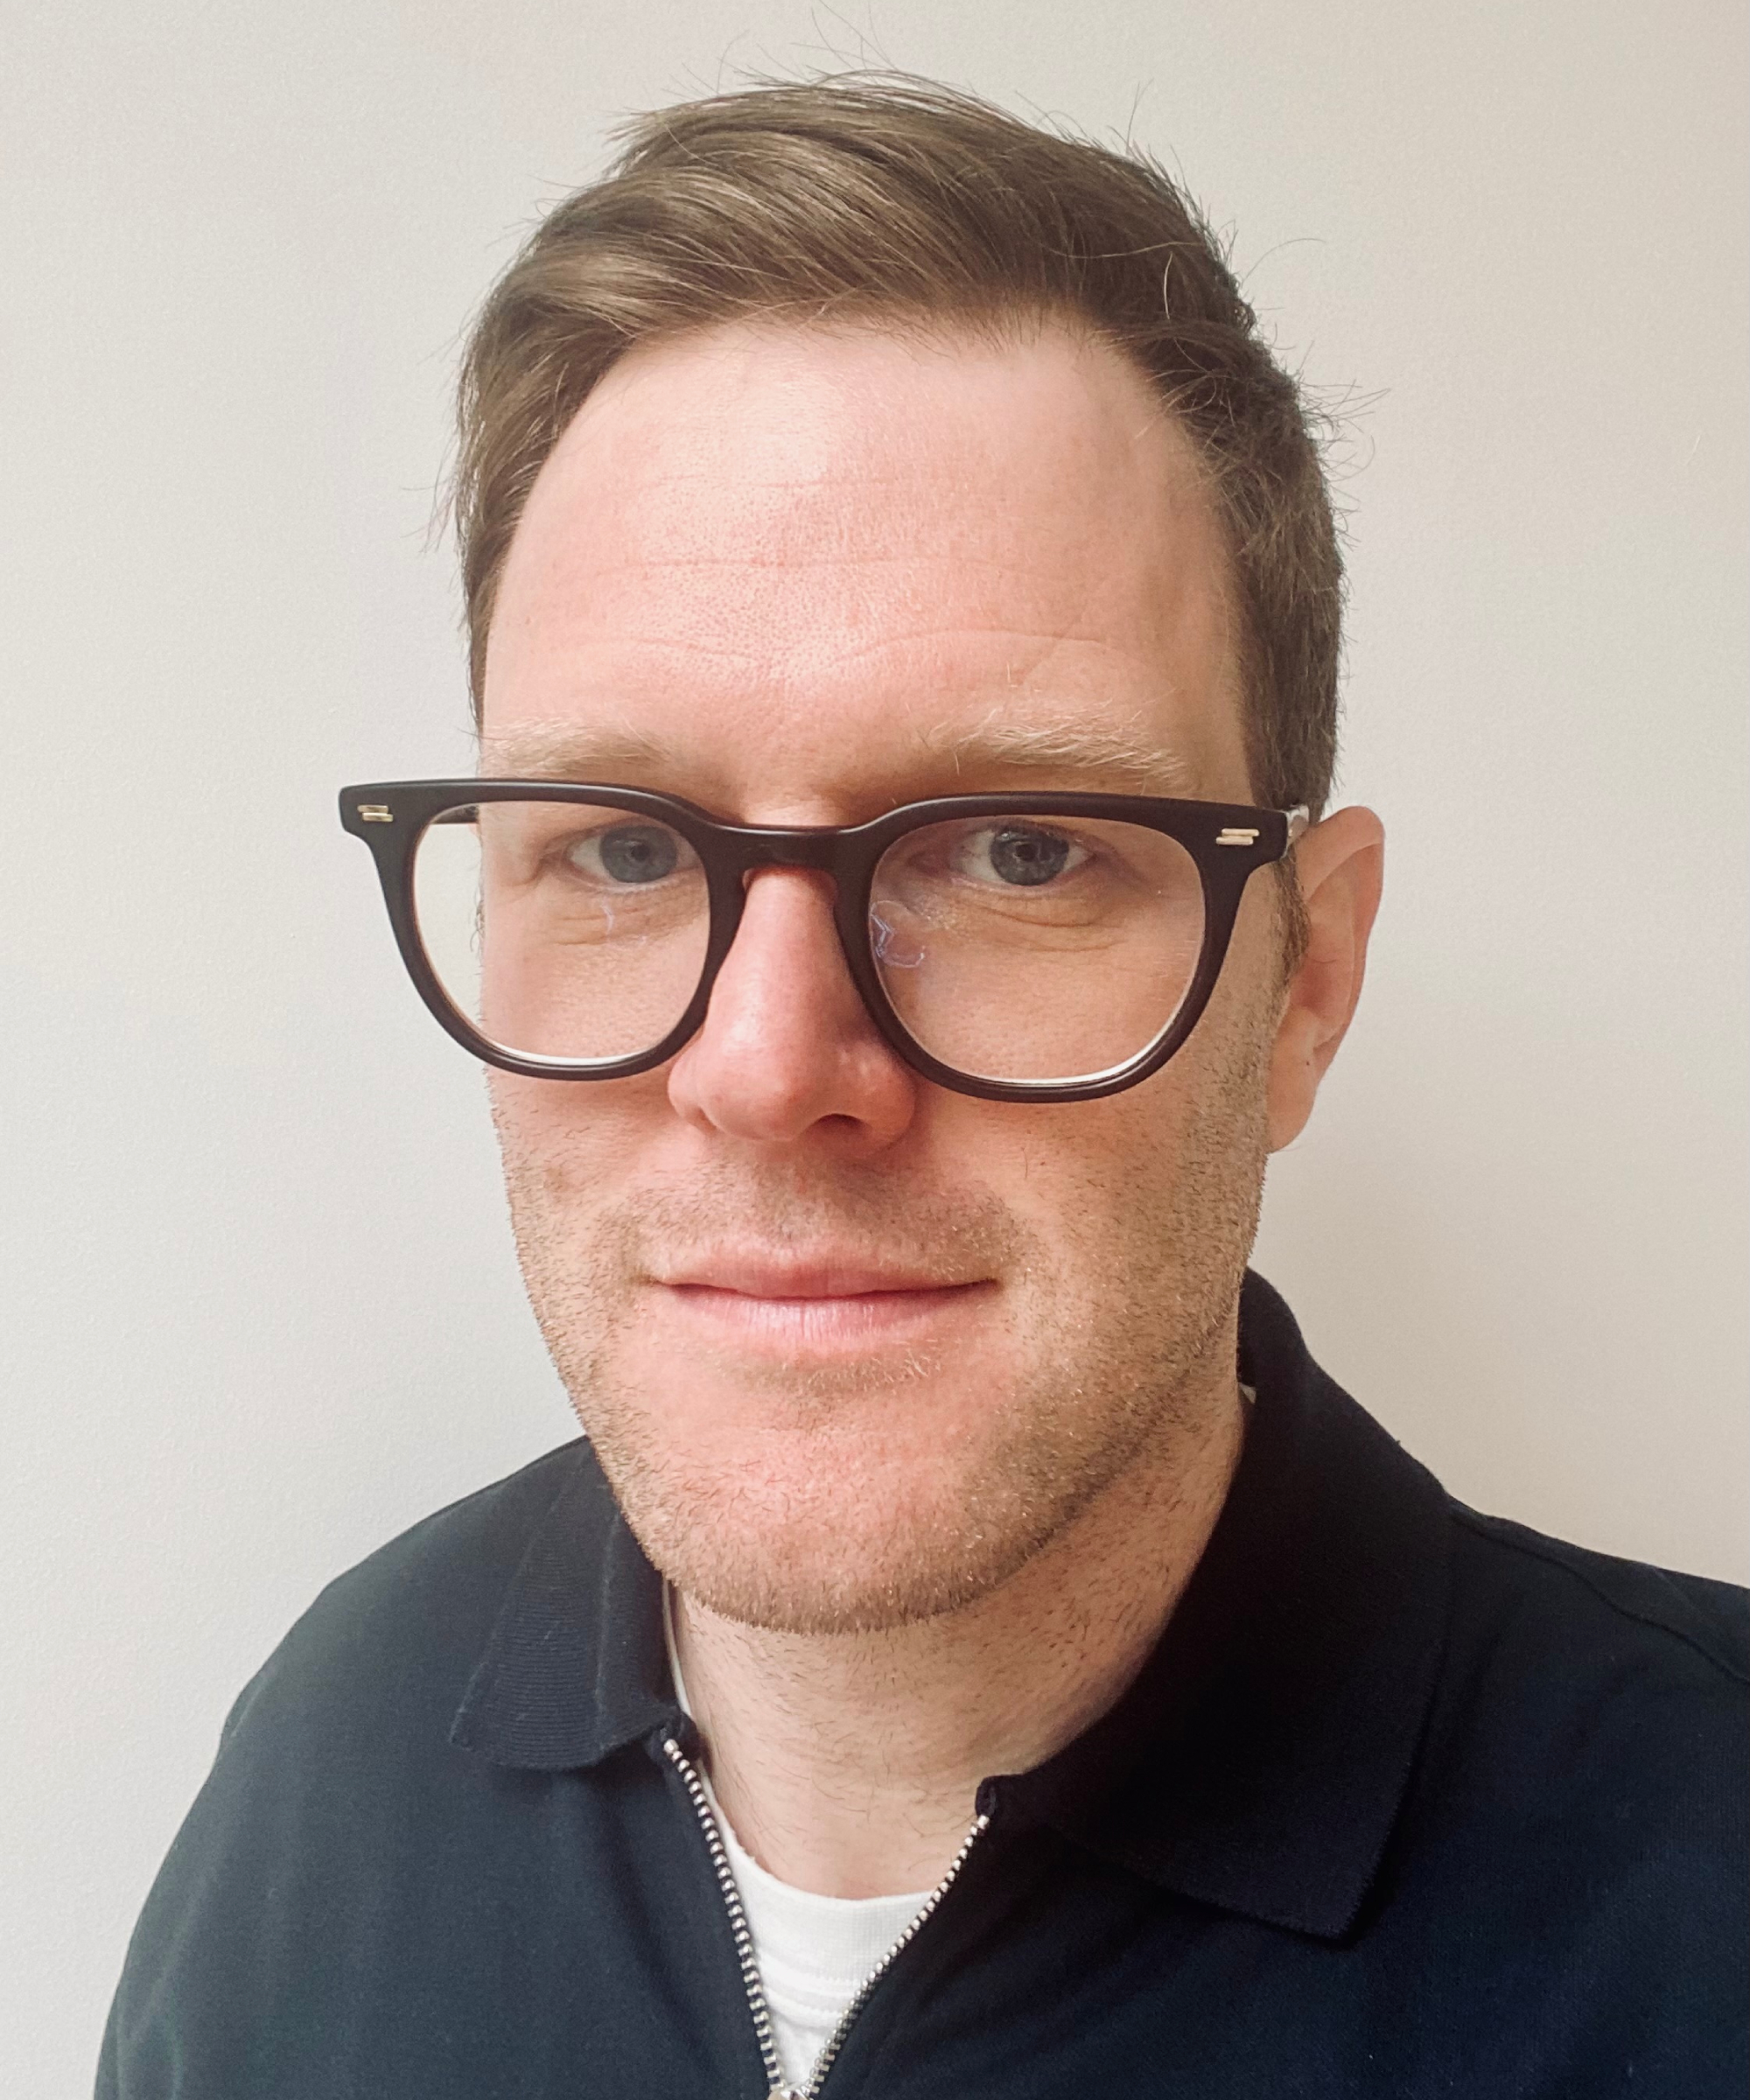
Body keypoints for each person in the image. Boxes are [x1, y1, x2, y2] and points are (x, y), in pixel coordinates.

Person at [98, 71, 1746, 2100]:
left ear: (1303, 981)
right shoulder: (329, 1757)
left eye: (1022, 848)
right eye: (621, 848)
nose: (770, 1070)